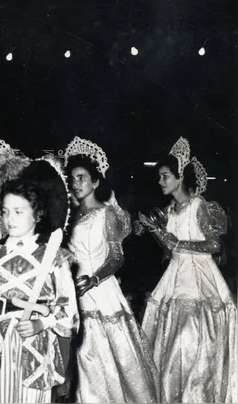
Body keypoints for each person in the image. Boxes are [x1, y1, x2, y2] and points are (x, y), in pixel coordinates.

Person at [0, 158, 79, 403]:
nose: (10, 219)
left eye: (18, 211)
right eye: (5, 211)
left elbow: (70, 314)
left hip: (35, 351)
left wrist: (41, 324)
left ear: (37, 214)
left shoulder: (54, 258)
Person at [140, 137, 236, 403]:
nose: (160, 182)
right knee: (171, 346)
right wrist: (155, 231)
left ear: (179, 177)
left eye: (165, 176)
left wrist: (178, 242)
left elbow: (215, 244)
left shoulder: (197, 205)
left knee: (191, 340)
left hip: (200, 278)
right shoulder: (169, 211)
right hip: (176, 276)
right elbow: (170, 251)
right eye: (160, 177)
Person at [62, 137, 157, 402]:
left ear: (95, 181)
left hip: (100, 291)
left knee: (105, 359)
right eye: (72, 179)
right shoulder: (69, 216)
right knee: (83, 360)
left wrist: (93, 279)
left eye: (81, 178)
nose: (76, 183)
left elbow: (117, 257)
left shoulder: (107, 215)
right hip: (73, 292)